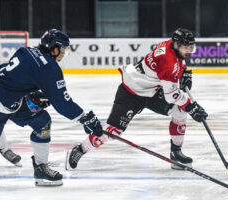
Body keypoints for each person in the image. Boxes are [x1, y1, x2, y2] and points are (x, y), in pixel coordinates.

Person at [67, 28, 208, 171]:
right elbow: (171, 94)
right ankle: (80, 149)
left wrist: (184, 71)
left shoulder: (170, 45)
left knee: (179, 112)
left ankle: (176, 154)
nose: (188, 51)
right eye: (186, 48)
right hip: (131, 92)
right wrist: (191, 106)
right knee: (113, 132)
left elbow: (178, 63)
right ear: (176, 45)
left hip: (151, 90)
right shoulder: (169, 61)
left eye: (190, 47)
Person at [0, 29, 103, 186]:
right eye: (63, 50)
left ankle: (40, 168)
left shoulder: (28, 51)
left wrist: (33, 93)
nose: (63, 54)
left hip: (10, 102)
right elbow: (62, 104)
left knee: (42, 121)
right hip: (4, 103)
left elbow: (10, 73)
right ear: (55, 48)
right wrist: (85, 118)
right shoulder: (49, 68)